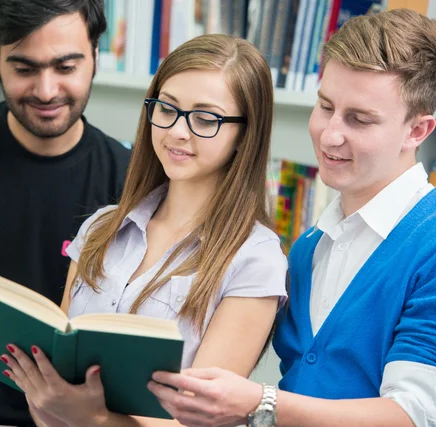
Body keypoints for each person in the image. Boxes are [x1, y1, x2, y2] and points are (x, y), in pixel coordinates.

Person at [147, 8, 436, 427]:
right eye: (325, 106)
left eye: (359, 119)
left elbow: (414, 413)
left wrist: (260, 402)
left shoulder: (428, 245)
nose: (329, 133)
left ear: (418, 131)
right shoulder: (306, 249)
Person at [1, 33, 289, 427]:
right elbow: (57, 385)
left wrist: (93, 419)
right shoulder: (102, 227)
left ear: (245, 134)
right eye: (167, 109)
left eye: (206, 119)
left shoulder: (255, 260)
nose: (177, 132)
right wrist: (45, 394)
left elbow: (197, 421)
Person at [0, 0, 131, 425]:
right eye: (24, 69)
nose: (45, 91)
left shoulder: (131, 185)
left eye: (65, 67)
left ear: (96, 55)